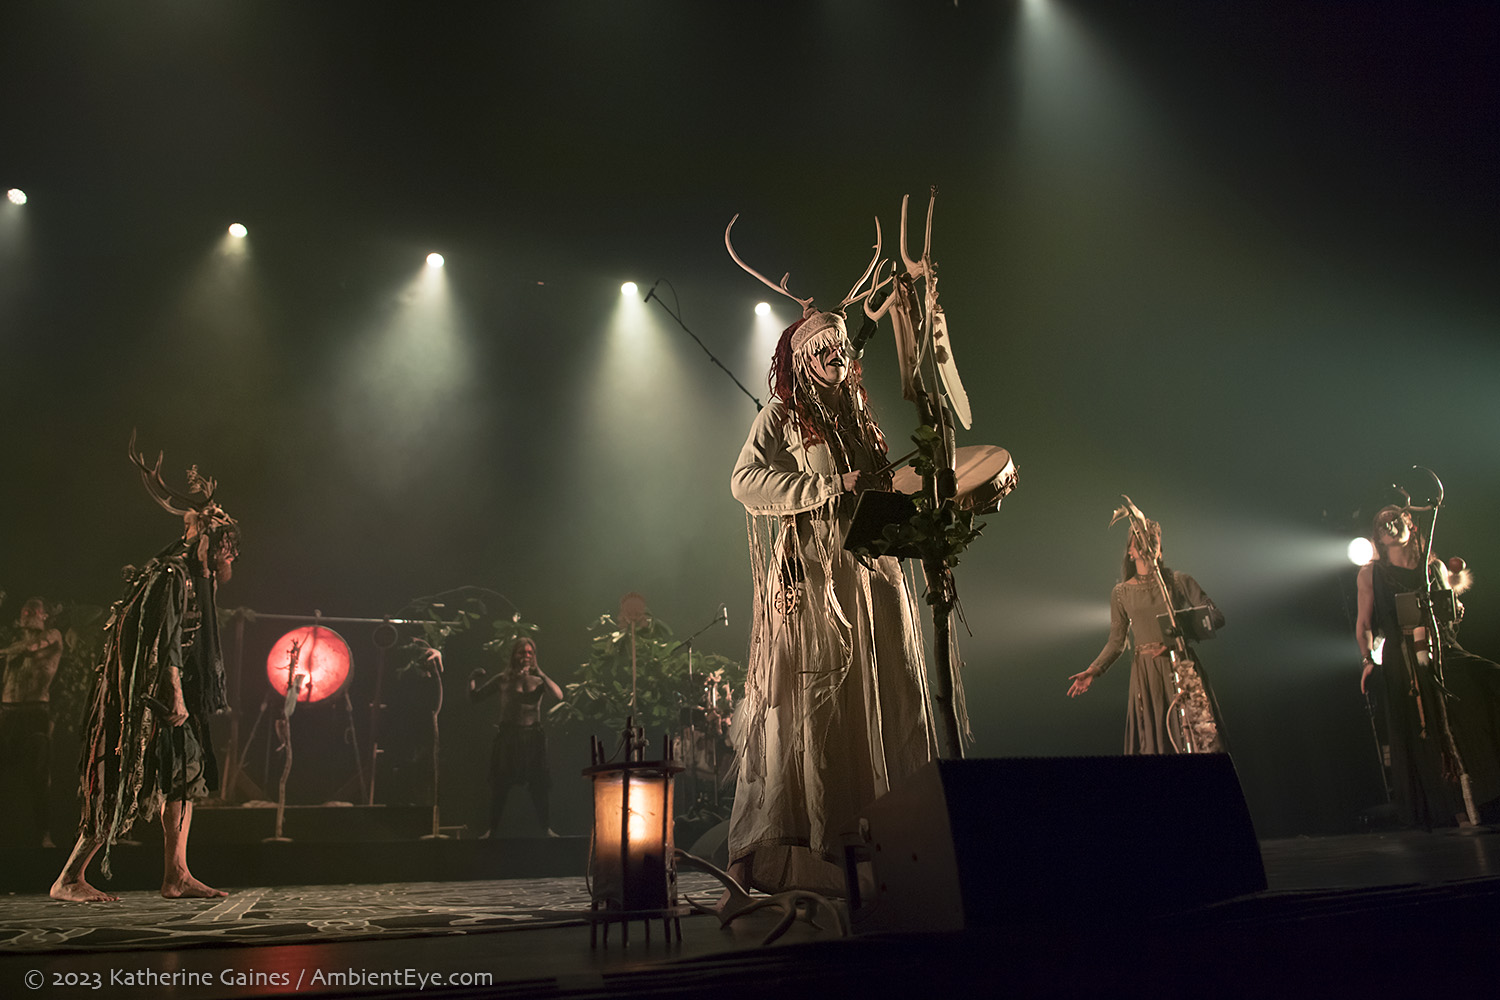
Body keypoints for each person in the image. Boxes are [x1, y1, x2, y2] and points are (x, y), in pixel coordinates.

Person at [727, 309, 936, 896]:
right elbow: (745, 479)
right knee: (811, 699)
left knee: (884, 693)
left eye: (842, 354)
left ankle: (893, 847)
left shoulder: (859, 418)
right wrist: (823, 487)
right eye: (823, 354)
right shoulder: (784, 416)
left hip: (872, 570)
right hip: (817, 570)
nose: (835, 363)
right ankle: (799, 855)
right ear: (802, 360)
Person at [51, 446, 239, 901]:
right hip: (146, 700)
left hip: (173, 699)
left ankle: (177, 874)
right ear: (212, 544)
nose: (231, 559)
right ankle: (69, 878)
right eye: (227, 548)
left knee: (184, 775)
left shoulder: (195, 578)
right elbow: (164, 640)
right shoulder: (173, 576)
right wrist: (173, 693)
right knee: (124, 778)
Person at [1355, 505, 1500, 827]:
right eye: (1382, 524)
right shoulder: (1370, 574)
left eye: (1395, 519)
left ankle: (1487, 789)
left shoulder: (1432, 566)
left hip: (1444, 648)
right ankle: (1454, 812)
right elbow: (1364, 623)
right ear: (1378, 536)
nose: (1389, 526)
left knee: (1490, 681)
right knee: (1428, 731)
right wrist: (1367, 660)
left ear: (1411, 524)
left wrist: (1454, 606)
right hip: (1404, 657)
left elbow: (1450, 605)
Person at [1067, 518, 1227, 754]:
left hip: (1180, 668)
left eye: (1152, 540)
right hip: (1147, 674)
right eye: (1139, 541)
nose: (1146, 545)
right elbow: (1117, 640)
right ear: (1130, 552)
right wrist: (1094, 670)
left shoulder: (1179, 582)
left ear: (1159, 548)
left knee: (1196, 738)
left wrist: (1178, 637)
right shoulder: (1121, 593)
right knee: (1156, 742)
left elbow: (1215, 617)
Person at [468, 637, 562, 837]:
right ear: (514, 655)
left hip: (532, 736)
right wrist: (471, 679)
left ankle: (546, 828)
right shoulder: (503, 679)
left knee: (539, 784)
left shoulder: (538, 680)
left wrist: (542, 674)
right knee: (500, 784)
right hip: (509, 736)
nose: (526, 656)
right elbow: (476, 697)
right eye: (522, 652)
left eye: (530, 653)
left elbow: (559, 696)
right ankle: (492, 829)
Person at [2, 598, 62, 847]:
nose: (28, 613)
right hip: (7, 713)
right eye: (25, 610)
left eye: (35, 609)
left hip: (35, 713)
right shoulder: (12, 648)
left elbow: (33, 647)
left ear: (45, 615)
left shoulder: (53, 637)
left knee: (39, 776)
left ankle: (44, 835)